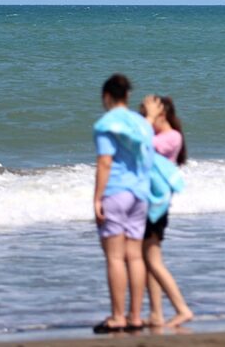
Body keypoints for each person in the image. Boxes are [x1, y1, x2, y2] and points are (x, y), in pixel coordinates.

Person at [92, 74, 161, 333]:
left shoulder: (105, 124)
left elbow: (105, 162)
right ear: (127, 96)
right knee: (135, 257)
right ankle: (135, 317)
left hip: (116, 192)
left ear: (106, 97)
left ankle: (118, 316)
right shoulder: (143, 124)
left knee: (114, 258)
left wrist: (97, 197)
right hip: (139, 195)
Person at [140, 96, 194, 327]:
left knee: (153, 260)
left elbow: (144, 146)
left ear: (161, 115)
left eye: (148, 114)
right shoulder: (156, 135)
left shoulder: (172, 137)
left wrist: (145, 123)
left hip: (156, 207)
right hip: (146, 203)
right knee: (148, 260)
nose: (145, 119)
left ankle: (182, 309)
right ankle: (156, 313)